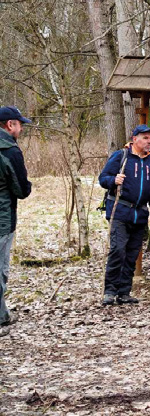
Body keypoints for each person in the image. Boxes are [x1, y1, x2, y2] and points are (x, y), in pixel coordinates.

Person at [99, 124, 150, 305]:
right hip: (119, 211)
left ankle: (124, 292)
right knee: (117, 251)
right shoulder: (121, 156)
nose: (149, 141)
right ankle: (110, 292)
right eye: (145, 138)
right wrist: (113, 180)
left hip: (140, 214)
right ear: (135, 139)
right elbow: (103, 178)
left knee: (131, 254)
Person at [0, 106, 32, 336]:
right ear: (10, 125)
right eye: (20, 124)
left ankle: (3, 315)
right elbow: (21, 189)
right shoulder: (10, 151)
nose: (21, 128)